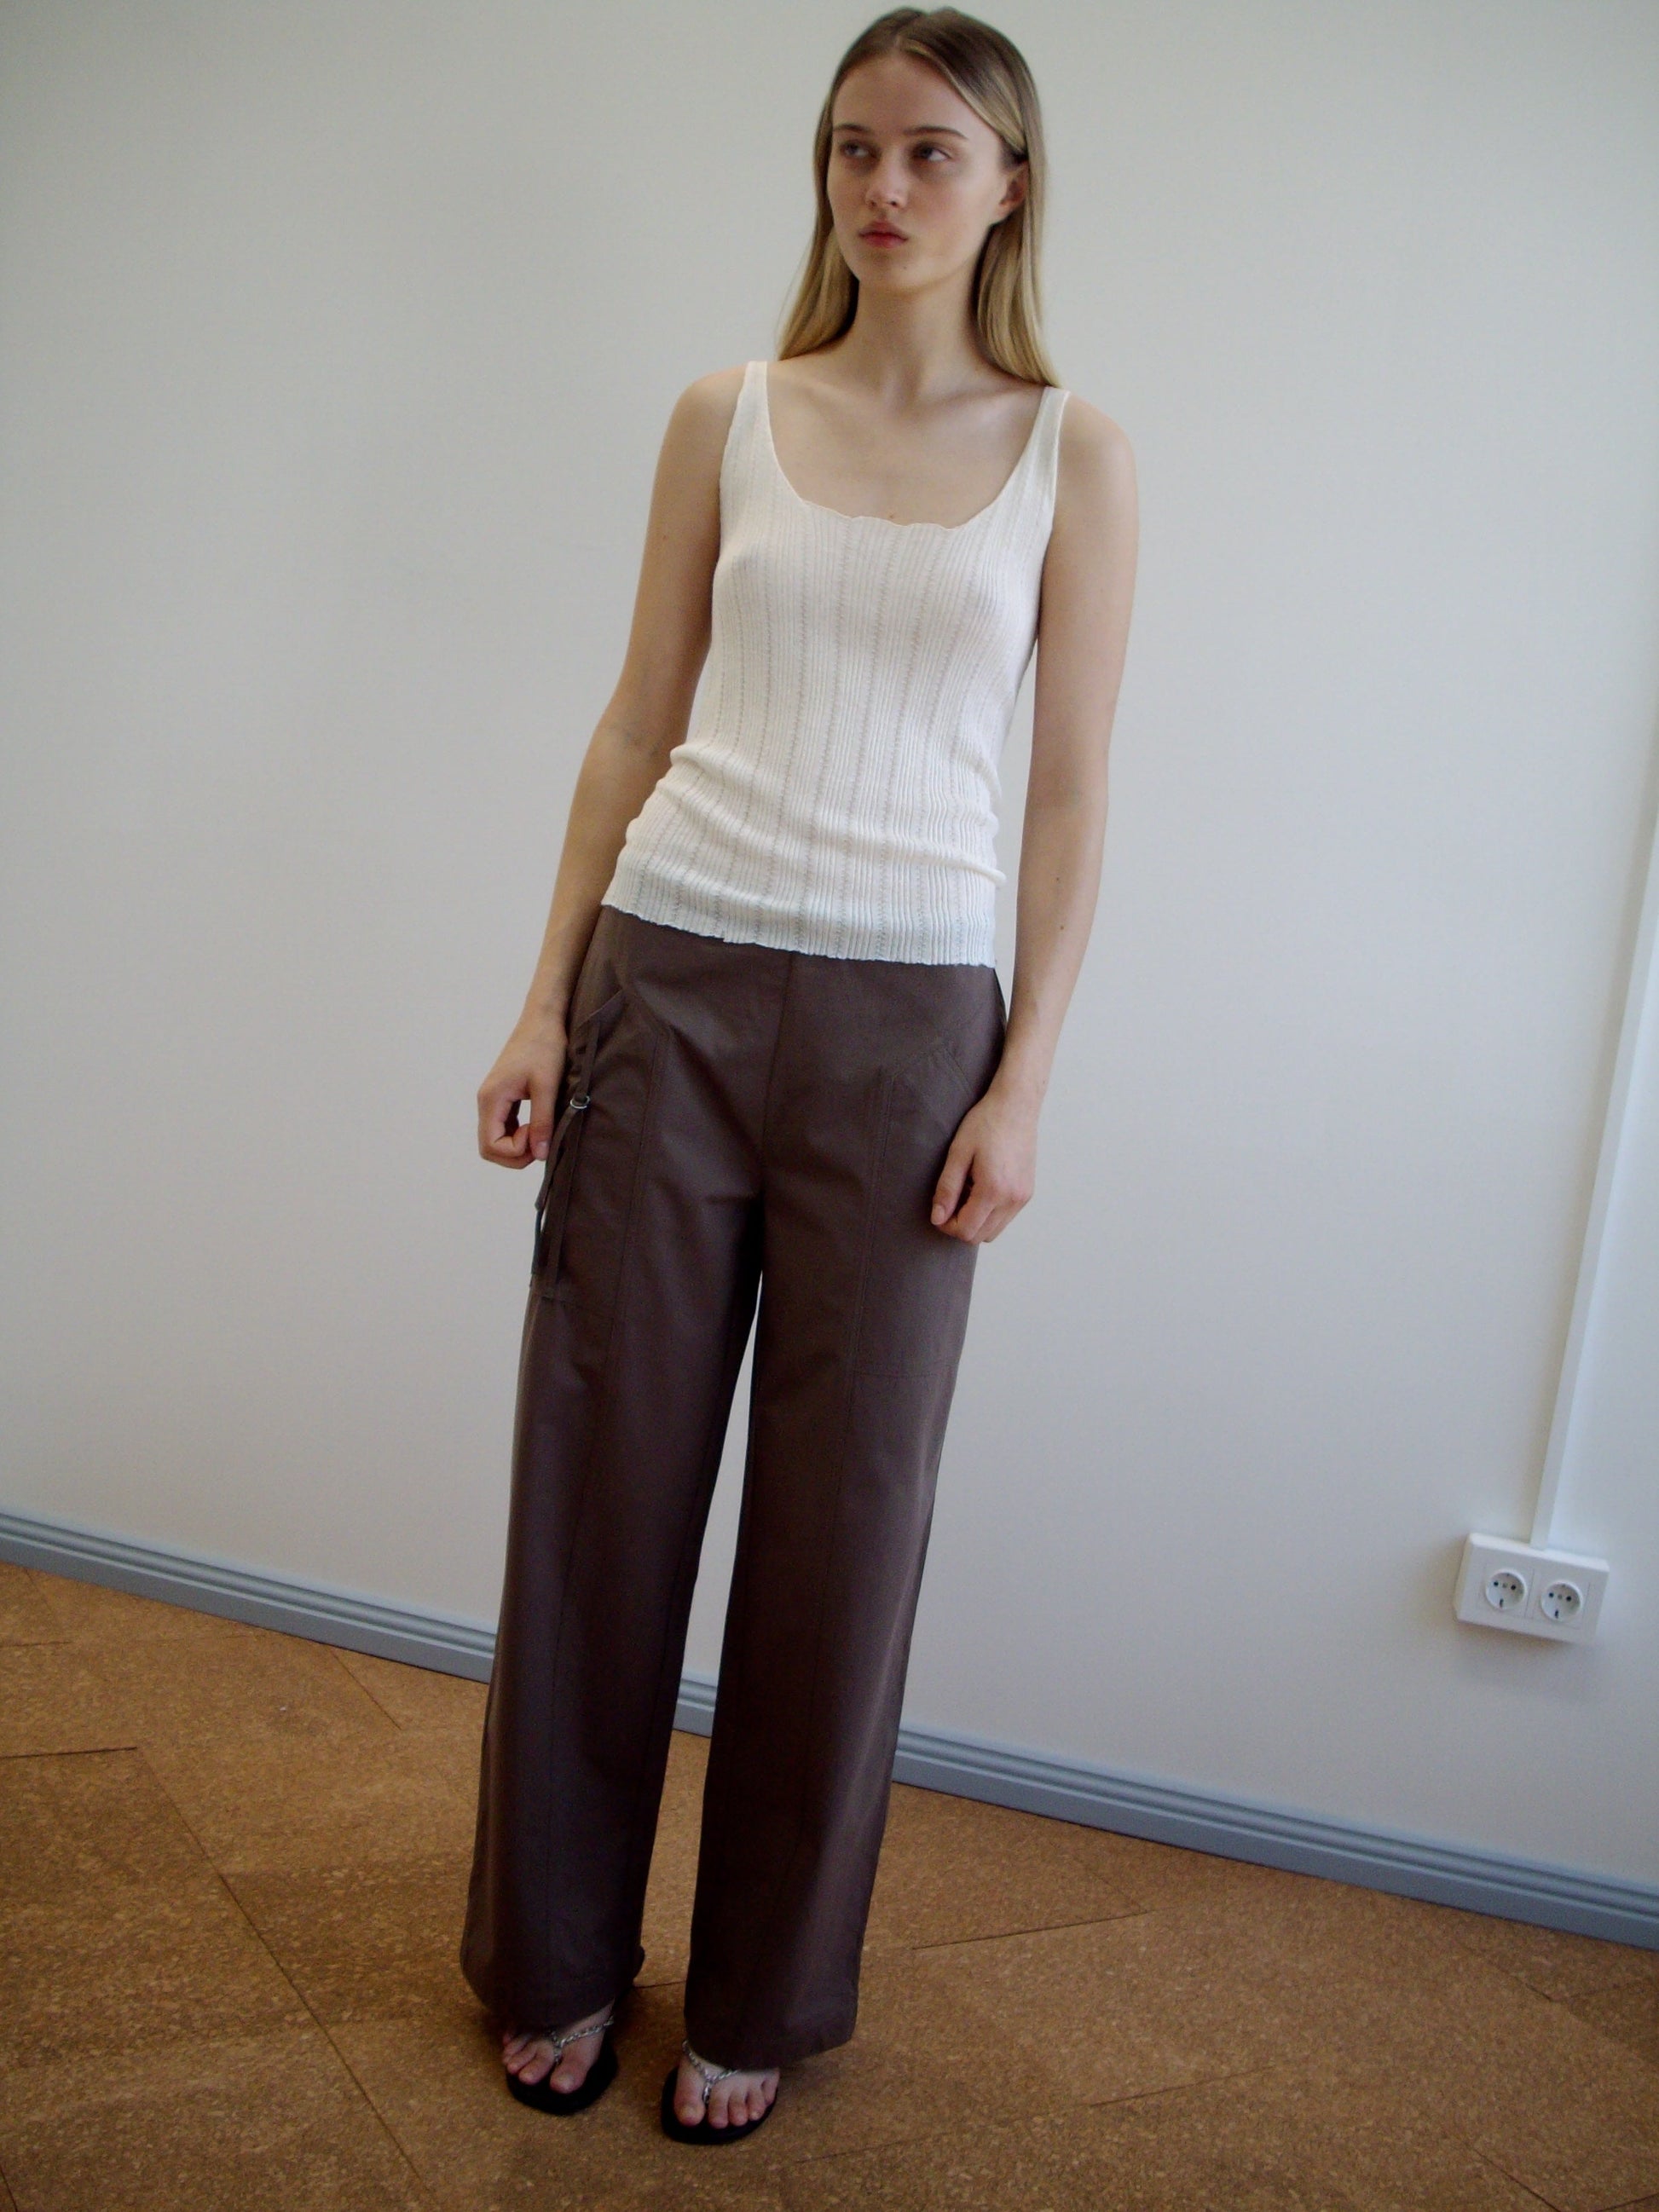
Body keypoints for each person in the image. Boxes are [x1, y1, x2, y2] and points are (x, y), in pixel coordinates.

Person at [460, 2, 1137, 2147]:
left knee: (842, 1531)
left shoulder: (1074, 451)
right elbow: (632, 716)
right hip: (674, 970)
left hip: (908, 1033)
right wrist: (543, 997)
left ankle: (759, 1988)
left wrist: (1023, 1079)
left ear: (1009, 182)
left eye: (932, 150)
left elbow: (1068, 802)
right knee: (600, 1492)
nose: (882, 185)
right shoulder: (722, 412)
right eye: (853, 146)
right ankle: (557, 1955)